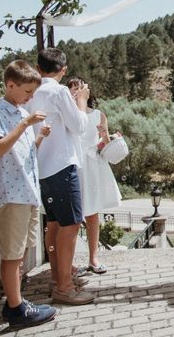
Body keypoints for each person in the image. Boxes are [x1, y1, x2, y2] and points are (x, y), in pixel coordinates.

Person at [25, 48, 94, 305]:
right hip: (61, 167)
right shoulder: (58, 91)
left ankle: (57, 277)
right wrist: (81, 101)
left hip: (42, 169)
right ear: (63, 70)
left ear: (39, 67)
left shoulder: (32, 91)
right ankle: (65, 287)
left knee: (53, 226)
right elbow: (79, 126)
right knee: (71, 225)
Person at [0, 60, 57, 328]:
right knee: (12, 255)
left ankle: (16, 302)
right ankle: (15, 308)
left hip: (26, 192)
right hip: (11, 195)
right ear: (11, 85)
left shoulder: (19, 111)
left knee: (20, 253)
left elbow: (21, 153)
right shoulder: (0, 111)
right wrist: (25, 124)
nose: (31, 97)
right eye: (27, 92)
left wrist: (39, 136)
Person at [67, 77, 122, 275]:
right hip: (73, 165)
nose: (76, 92)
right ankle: (69, 263)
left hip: (92, 167)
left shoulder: (99, 115)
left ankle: (94, 258)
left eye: (79, 88)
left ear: (87, 92)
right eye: (72, 88)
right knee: (71, 217)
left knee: (92, 215)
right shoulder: (66, 114)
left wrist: (107, 137)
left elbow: (102, 146)